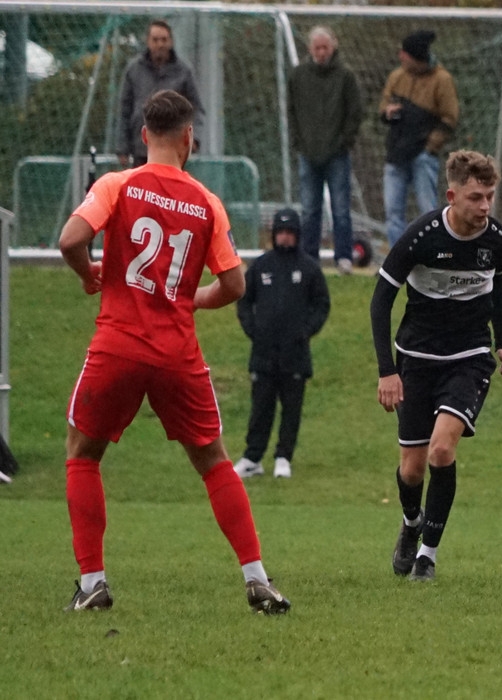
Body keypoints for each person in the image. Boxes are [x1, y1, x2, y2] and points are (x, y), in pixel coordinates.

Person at [59, 90, 289, 614]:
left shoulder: (117, 184)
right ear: (189, 138)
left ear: (145, 135)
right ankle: (256, 578)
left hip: (118, 344)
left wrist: (88, 273)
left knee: (83, 454)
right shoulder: (206, 202)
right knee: (214, 462)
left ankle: (92, 583)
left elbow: (71, 239)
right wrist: (193, 300)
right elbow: (234, 284)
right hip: (176, 352)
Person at [370, 150, 502, 582]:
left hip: (469, 359)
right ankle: (411, 523)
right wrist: (387, 370)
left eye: (490, 196)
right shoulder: (421, 237)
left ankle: (427, 557)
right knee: (412, 469)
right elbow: (380, 300)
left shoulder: (499, 241)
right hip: (416, 360)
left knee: (442, 450)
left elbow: (497, 285)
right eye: (475, 197)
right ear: (452, 196)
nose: (485, 206)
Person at [233, 208, 330, 480]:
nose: (285, 237)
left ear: (297, 235)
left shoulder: (309, 268)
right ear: (274, 234)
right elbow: (243, 299)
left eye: (290, 232)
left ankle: (283, 457)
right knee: (260, 408)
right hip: (263, 353)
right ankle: (253, 457)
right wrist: (254, 330)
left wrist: (305, 331)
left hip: (295, 354)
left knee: (291, 409)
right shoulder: (261, 266)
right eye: (281, 232)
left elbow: (322, 305)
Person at [288, 25, 363, 271]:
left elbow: (354, 113)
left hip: (337, 154)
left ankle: (344, 257)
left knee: (341, 208)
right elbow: (291, 111)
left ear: (333, 47)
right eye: (317, 48)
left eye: (325, 47)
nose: (321, 52)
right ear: (310, 49)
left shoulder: (345, 76)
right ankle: (309, 258)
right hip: (307, 153)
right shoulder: (298, 76)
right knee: (310, 209)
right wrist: (299, 142)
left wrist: (343, 142)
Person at [378, 30, 460, 247]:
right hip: (396, 153)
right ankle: (397, 258)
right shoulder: (397, 77)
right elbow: (383, 107)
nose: (400, 57)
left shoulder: (442, 80)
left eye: (405, 54)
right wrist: (388, 112)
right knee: (393, 212)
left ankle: (433, 254)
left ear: (416, 57)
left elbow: (450, 118)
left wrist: (429, 147)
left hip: (422, 156)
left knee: (428, 212)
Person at [117, 20, 205, 167]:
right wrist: (122, 147)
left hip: (174, 151)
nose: (160, 44)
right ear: (148, 41)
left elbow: (196, 108)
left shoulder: (184, 71)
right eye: (155, 40)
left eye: (164, 40)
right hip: (141, 150)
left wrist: (194, 138)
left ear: (171, 41)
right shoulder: (134, 70)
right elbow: (124, 111)